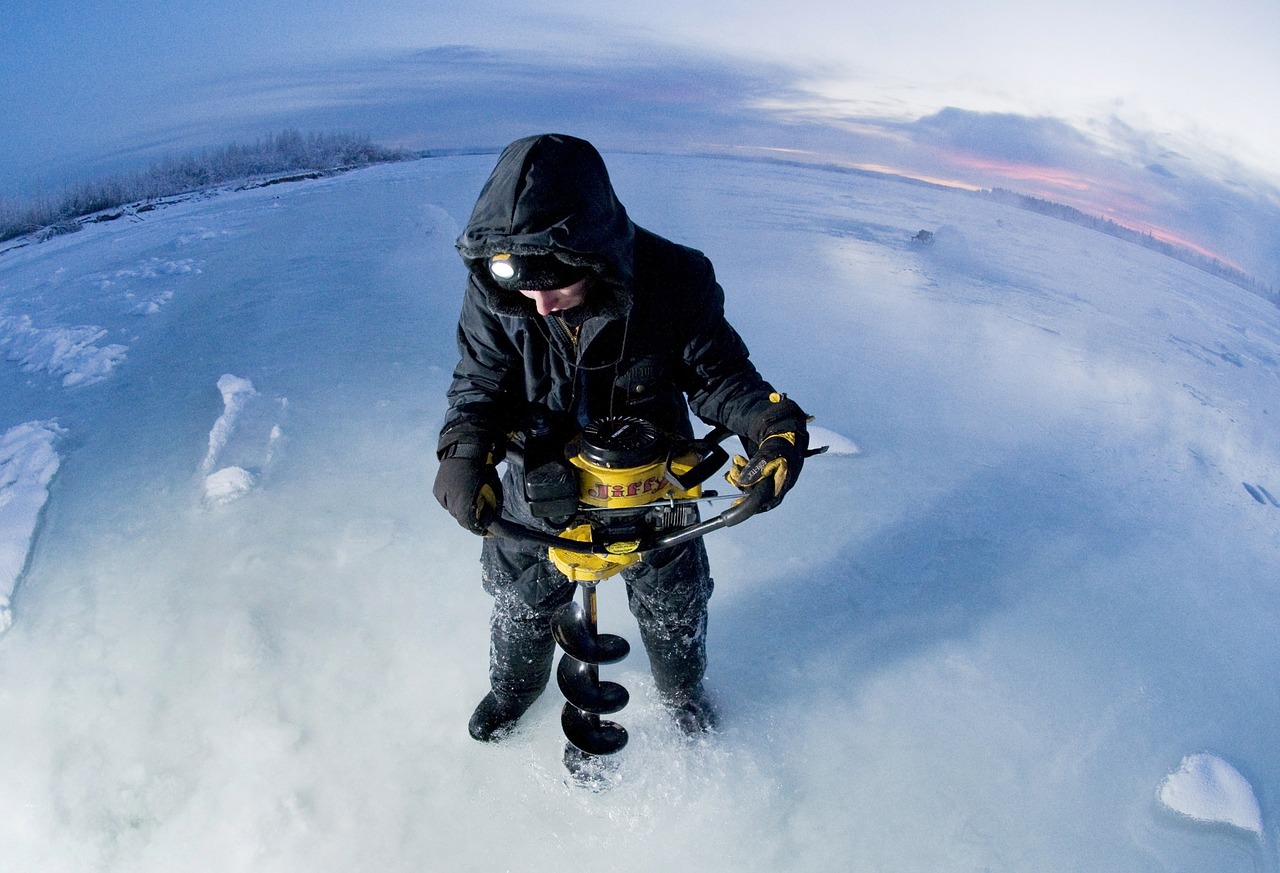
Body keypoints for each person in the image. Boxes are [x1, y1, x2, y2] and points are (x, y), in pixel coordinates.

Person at [433, 134, 810, 742]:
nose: (540, 304)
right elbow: (479, 383)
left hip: (652, 490)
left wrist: (774, 426)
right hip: (540, 487)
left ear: (594, 252)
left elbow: (720, 378)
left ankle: (682, 695)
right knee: (520, 606)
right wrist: (464, 454)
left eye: (556, 284)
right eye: (522, 287)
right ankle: (514, 689)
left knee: (675, 608)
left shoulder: (675, 279)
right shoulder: (497, 292)